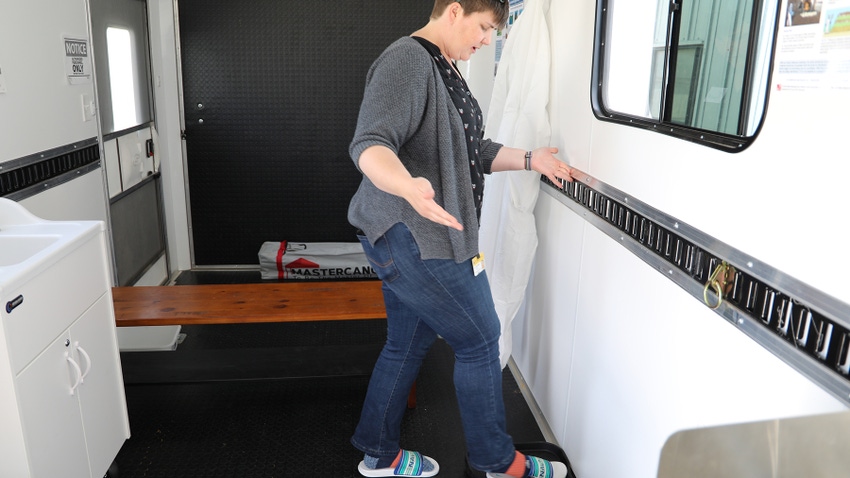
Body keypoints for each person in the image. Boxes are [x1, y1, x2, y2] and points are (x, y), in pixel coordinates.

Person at [347, 1, 574, 477]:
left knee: (406, 344)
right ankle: (499, 462)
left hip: (409, 236)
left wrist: (532, 159)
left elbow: (470, 150)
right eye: (486, 27)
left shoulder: (444, 66)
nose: (489, 40)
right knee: (480, 337)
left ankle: (379, 454)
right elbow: (370, 143)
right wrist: (408, 185)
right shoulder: (407, 59)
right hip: (415, 237)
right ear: (454, 11)